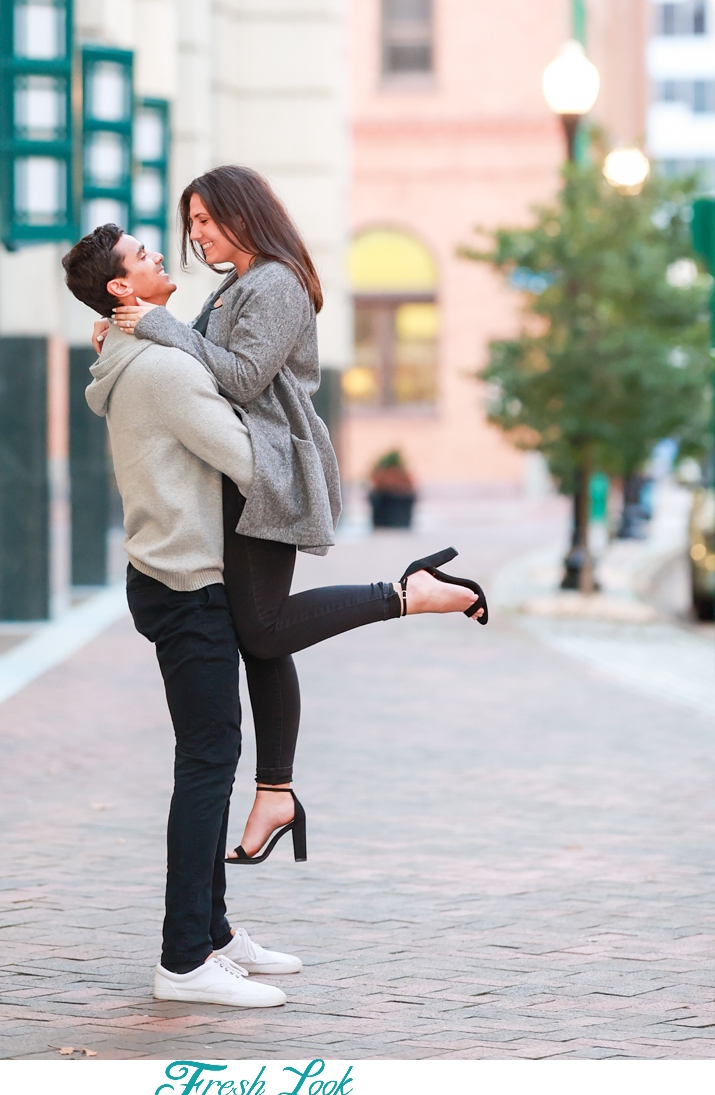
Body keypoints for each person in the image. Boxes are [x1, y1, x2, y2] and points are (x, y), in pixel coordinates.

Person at [104, 167, 489, 865]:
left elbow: (242, 377)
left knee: (264, 627)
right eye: (191, 224)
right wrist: (126, 337)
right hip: (241, 474)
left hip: (271, 472)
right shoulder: (236, 284)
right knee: (261, 638)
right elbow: (192, 362)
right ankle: (276, 793)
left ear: (240, 213)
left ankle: (408, 594)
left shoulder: (276, 282)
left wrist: (157, 324)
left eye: (204, 221)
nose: (195, 236)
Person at [62, 223, 302, 1010]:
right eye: (142, 255)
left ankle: (216, 935)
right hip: (189, 585)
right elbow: (243, 455)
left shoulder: (133, 357)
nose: (161, 252)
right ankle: (182, 960)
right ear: (123, 291)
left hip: (167, 579)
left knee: (203, 761)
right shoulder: (163, 369)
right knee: (207, 765)